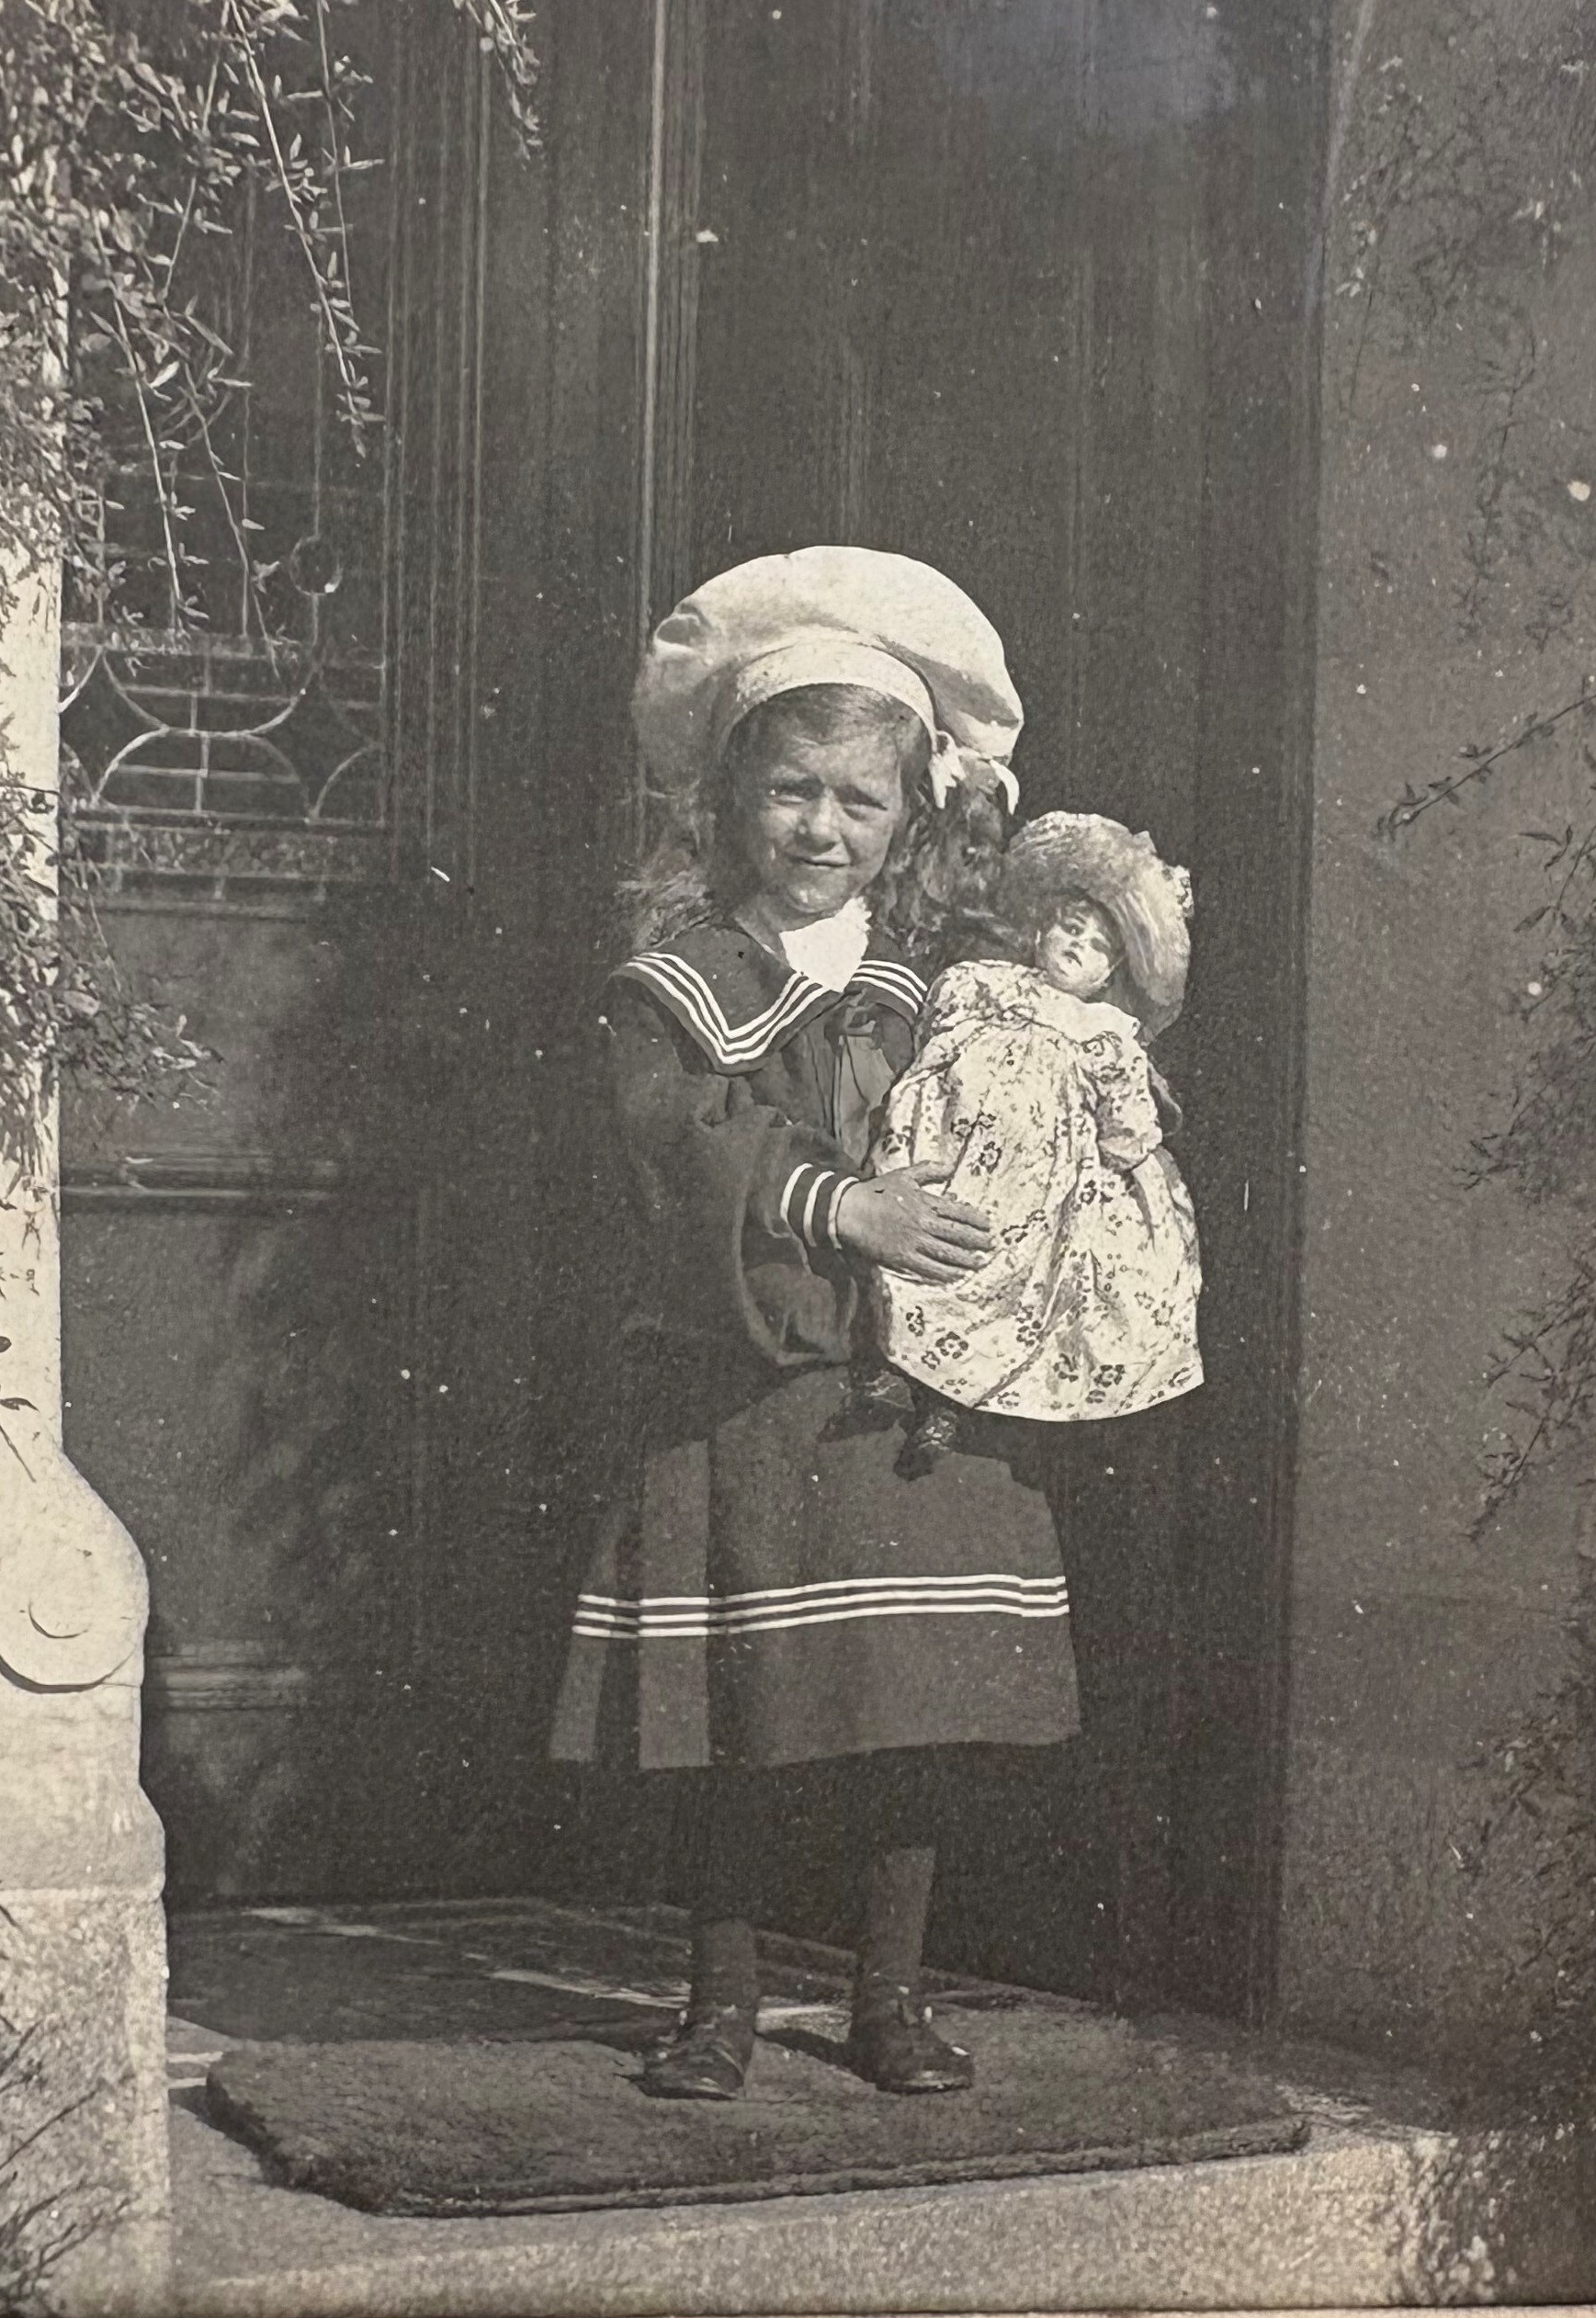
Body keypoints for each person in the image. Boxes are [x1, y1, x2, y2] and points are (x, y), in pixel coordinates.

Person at [549, 547, 1081, 2102]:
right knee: (742, 1707)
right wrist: (840, 1206)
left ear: (908, 815)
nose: (819, 829)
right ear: (731, 797)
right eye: (790, 791)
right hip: (747, 1389)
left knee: (901, 1704)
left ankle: (887, 1998)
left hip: (905, 1395)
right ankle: (717, 2000)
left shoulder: (947, 988)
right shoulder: (678, 984)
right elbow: (675, 1136)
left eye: (857, 800)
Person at [868, 813, 1203, 1476]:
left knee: (1005, 1279)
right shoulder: (991, 982)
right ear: (1041, 931)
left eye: (1096, 946)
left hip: (1037, 1186)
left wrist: (1128, 1154)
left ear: (1110, 972)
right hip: (958, 1148)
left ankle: (951, 1408)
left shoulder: (1104, 1030)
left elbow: (1126, 1125)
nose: (1077, 947)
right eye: (1070, 929)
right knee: (932, 1247)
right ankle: (889, 1368)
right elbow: (939, 1020)